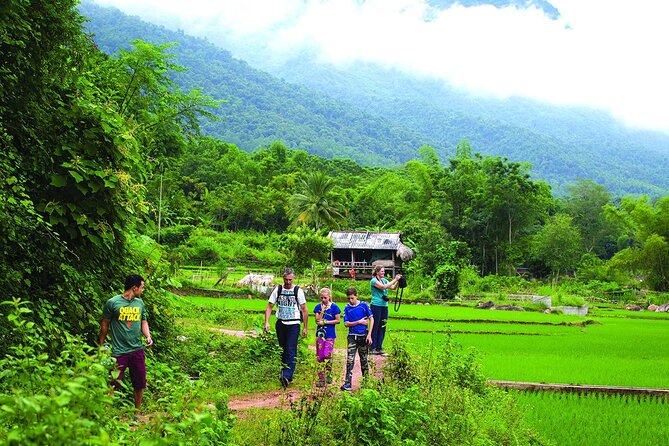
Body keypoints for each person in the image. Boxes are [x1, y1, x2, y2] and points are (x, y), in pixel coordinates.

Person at [99, 274, 153, 413]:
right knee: (113, 383)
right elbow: (105, 324)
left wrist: (148, 336)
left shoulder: (140, 303)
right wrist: (101, 345)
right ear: (134, 288)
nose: (143, 290)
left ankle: (137, 412)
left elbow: (143, 321)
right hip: (118, 351)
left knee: (139, 383)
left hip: (136, 349)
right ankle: (108, 413)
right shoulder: (113, 303)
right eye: (142, 287)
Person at [264, 267, 308, 388]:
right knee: (283, 349)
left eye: (290, 280)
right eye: (286, 279)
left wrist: (305, 327)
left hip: (294, 324)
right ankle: (286, 373)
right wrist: (266, 322)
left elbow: (304, 309)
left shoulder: (298, 291)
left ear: (293, 279)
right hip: (281, 323)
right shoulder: (278, 290)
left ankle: (286, 375)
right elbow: (269, 306)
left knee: (290, 348)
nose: (288, 282)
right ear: (283, 278)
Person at [340, 286, 374, 391]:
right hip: (352, 337)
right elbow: (346, 324)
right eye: (349, 298)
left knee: (364, 359)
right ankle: (348, 383)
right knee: (350, 360)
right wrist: (359, 322)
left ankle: (366, 381)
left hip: (363, 336)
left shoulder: (364, 306)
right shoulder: (347, 308)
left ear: (356, 296)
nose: (351, 300)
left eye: (352, 298)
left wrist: (369, 335)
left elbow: (371, 319)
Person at [369, 265, 402, 355]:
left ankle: (379, 347)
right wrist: (394, 279)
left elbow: (392, 287)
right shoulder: (374, 281)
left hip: (384, 305)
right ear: (377, 272)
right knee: (375, 326)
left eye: (384, 271)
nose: (383, 272)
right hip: (376, 305)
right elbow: (383, 287)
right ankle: (372, 347)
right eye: (382, 271)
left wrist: (398, 281)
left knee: (383, 326)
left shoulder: (384, 280)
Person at [313, 287, 341, 387]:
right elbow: (317, 320)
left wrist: (326, 322)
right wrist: (322, 311)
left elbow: (338, 320)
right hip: (320, 334)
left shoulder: (334, 307)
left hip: (330, 334)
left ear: (329, 297)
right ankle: (321, 378)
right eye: (322, 298)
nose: (323, 300)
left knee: (327, 354)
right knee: (320, 356)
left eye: (325, 298)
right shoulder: (318, 307)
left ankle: (328, 373)